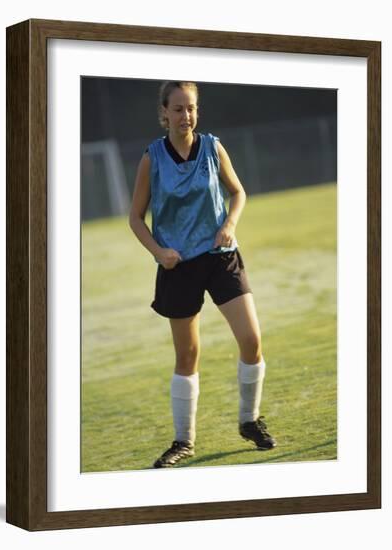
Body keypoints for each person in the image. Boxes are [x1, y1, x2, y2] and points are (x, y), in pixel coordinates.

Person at [129, 81, 276, 469]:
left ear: (197, 111)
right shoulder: (152, 158)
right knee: (188, 355)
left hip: (220, 256)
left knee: (251, 340)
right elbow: (135, 217)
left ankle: (249, 420)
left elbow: (238, 192)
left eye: (190, 108)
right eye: (177, 109)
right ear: (164, 113)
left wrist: (229, 223)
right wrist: (160, 252)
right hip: (178, 266)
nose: (185, 116)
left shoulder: (212, 147)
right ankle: (184, 441)